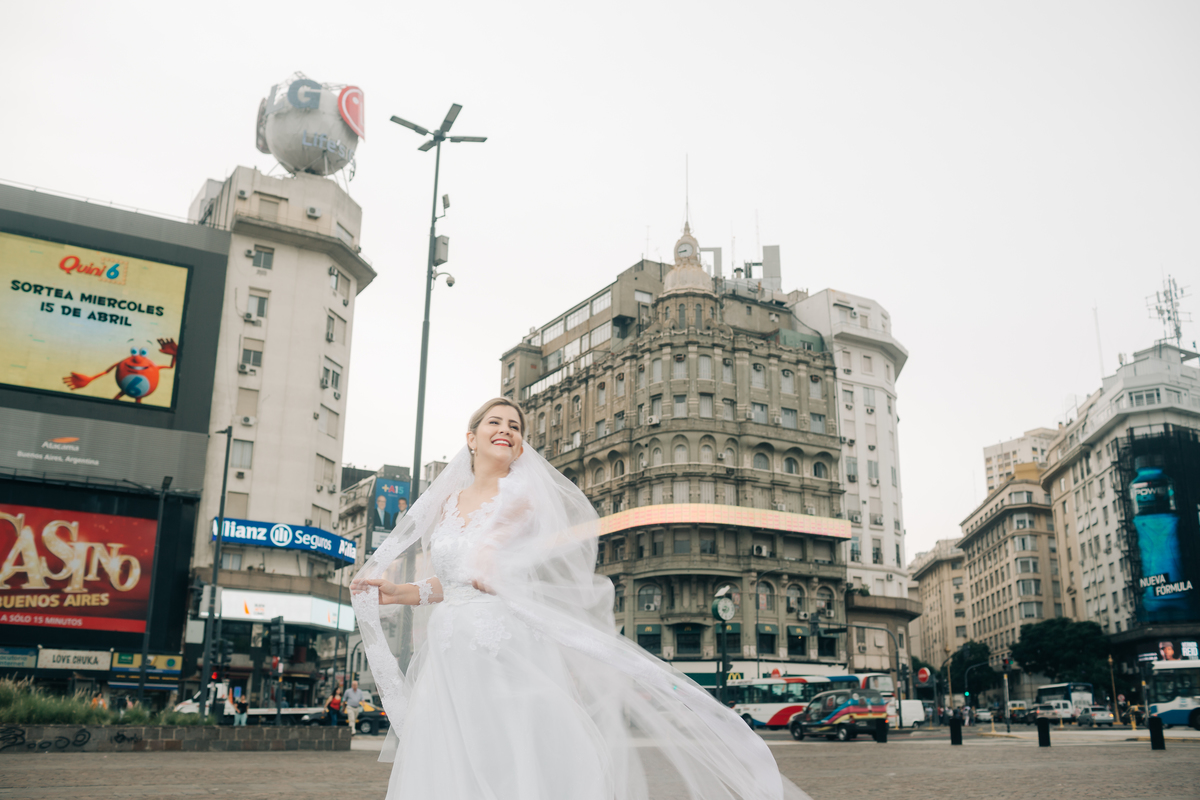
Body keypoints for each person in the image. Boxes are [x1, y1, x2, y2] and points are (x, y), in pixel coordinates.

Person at [352, 398, 809, 800]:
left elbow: (497, 550)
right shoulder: (450, 502)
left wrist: (492, 562)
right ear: (471, 438)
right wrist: (402, 592)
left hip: (503, 645)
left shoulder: (521, 494)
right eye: (495, 422)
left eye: (515, 426)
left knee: (506, 752)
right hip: (450, 650)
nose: (506, 430)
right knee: (447, 753)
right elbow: (451, 581)